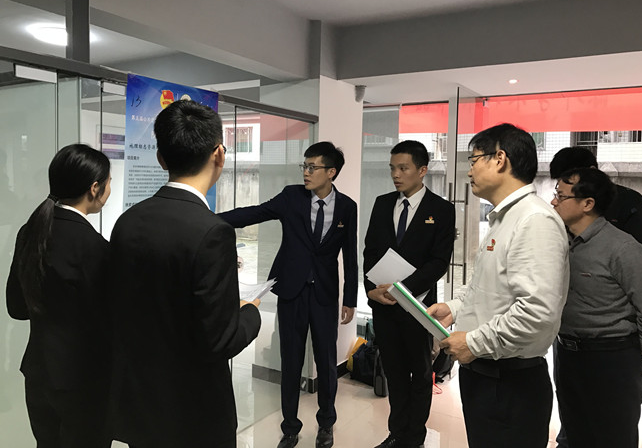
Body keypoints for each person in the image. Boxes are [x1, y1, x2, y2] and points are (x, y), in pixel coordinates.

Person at [109, 100, 261, 448]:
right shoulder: (213, 231)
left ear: (161, 159)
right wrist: (250, 313)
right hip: (193, 412)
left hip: (140, 404)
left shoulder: (127, 221)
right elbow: (221, 340)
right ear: (219, 155)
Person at [427, 123, 570, 448]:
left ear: (500, 159)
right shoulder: (503, 218)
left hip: (510, 383)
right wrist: (454, 308)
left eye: (474, 159)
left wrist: (473, 342)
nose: (469, 171)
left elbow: (536, 313)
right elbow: (488, 287)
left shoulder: (535, 221)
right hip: (486, 375)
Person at [219, 141, 358, 448]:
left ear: (331, 172)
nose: (306, 172)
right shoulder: (291, 197)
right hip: (292, 292)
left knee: (326, 362)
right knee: (291, 361)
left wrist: (350, 299)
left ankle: (326, 424)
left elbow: (350, 256)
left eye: (313, 167)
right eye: (304, 166)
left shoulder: (347, 207)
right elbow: (254, 213)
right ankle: (290, 428)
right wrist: (210, 218)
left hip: (324, 295)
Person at [6, 144, 112, 447]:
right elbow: (108, 323)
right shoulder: (96, 248)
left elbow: (17, 308)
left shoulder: (30, 232)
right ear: (94, 188)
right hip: (83, 380)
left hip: (39, 372)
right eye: (108, 183)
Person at [549, 146, 642, 448]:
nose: (553, 202)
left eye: (561, 196)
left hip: (612, 358)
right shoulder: (560, 242)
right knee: (576, 432)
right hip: (569, 355)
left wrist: (637, 356)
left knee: (613, 436)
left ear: (587, 203)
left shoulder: (623, 249)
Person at [363, 140, 455, 448]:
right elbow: (370, 252)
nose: (396, 175)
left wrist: (403, 290)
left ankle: (415, 437)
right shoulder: (382, 203)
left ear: (422, 170)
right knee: (394, 372)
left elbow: (439, 261)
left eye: (403, 168)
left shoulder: (441, 210)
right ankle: (396, 433)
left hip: (418, 306)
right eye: (392, 168)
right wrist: (370, 290)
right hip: (384, 306)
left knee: (420, 372)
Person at [550, 146, 642, 248]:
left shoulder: (630, 201)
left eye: (568, 180)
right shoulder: (564, 208)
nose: (554, 201)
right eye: (559, 181)